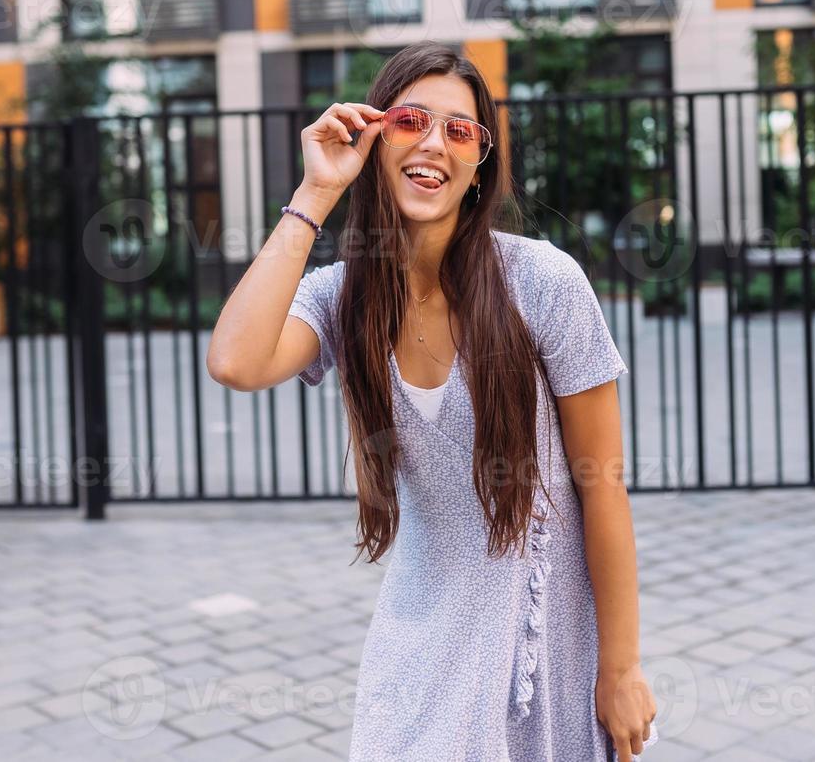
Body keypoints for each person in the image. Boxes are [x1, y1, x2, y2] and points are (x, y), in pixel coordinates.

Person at [207, 41, 658, 761]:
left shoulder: (543, 282)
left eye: (459, 131)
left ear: (479, 167)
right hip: (420, 633)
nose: (433, 145)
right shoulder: (340, 296)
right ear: (373, 134)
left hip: (540, 633)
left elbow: (603, 488)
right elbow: (234, 360)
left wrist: (621, 666)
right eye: (411, 119)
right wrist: (315, 194)